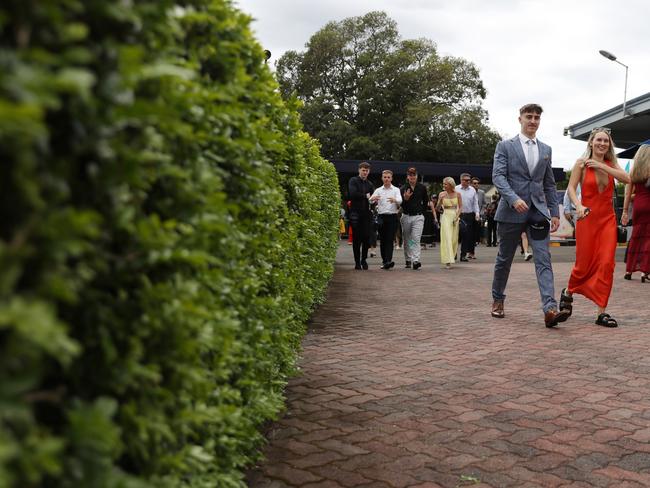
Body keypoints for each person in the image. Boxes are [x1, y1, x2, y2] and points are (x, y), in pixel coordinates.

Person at [491, 103, 569, 327]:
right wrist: (513, 198)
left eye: (536, 117)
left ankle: (550, 309)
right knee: (504, 260)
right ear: (520, 119)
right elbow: (498, 177)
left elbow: (549, 184)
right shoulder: (505, 146)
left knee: (544, 259)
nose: (533, 121)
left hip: (537, 213)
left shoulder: (545, 149)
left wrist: (554, 212)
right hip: (510, 211)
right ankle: (497, 299)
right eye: (529, 116)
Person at [559, 128, 630, 327]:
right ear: (591, 142)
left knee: (606, 264)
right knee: (584, 264)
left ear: (609, 144)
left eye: (605, 141)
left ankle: (602, 312)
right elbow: (571, 188)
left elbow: (628, 179)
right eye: (598, 140)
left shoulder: (611, 163)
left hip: (607, 219)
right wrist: (578, 206)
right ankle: (568, 291)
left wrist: (603, 166)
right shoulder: (581, 164)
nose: (602, 144)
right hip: (587, 218)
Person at [621, 144, 650, 282]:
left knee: (636, 238)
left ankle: (629, 270)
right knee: (648, 240)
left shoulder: (633, 171)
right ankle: (645, 272)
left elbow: (627, 194)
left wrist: (625, 211)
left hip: (638, 206)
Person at [370, 170, 402, 270]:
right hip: (381, 217)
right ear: (382, 178)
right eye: (385, 177)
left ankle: (388, 260)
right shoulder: (379, 190)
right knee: (383, 240)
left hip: (392, 217)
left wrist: (395, 200)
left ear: (391, 178)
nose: (386, 179)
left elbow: (400, 200)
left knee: (389, 239)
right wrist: (373, 198)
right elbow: (370, 199)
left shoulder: (396, 190)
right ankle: (385, 261)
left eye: (388, 177)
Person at [348, 162, 375, 270]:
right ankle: (357, 262)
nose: (365, 172)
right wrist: (366, 196)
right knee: (356, 239)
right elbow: (352, 194)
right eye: (363, 170)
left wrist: (374, 201)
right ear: (359, 170)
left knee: (366, 239)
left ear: (369, 172)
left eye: (367, 170)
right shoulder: (353, 180)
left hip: (367, 214)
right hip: (356, 213)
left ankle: (364, 260)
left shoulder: (370, 184)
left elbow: (372, 198)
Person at [400, 167, 429, 270]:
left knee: (415, 239)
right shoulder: (403, 188)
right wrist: (405, 199)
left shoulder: (422, 188)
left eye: (414, 175)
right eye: (410, 175)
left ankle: (415, 260)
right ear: (407, 176)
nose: (412, 176)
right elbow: (401, 204)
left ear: (417, 176)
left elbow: (426, 201)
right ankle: (408, 259)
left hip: (418, 217)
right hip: (406, 216)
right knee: (408, 239)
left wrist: (423, 213)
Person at [436, 177, 461, 269]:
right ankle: (448, 260)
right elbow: (437, 209)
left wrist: (457, 216)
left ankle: (452, 256)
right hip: (446, 216)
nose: (444, 186)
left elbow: (461, 207)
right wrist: (439, 201)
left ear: (451, 185)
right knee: (447, 238)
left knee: (454, 239)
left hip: (455, 216)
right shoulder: (441, 194)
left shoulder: (458, 194)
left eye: (445, 184)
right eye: (443, 184)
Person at [455, 173, 480, 261]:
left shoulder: (472, 190)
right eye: (466, 180)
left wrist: (477, 213)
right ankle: (454, 253)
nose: (468, 182)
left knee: (467, 235)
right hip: (458, 214)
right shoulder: (456, 189)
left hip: (469, 215)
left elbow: (475, 202)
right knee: (456, 235)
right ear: (461, 180)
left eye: (469, 180)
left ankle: (463, 255)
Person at [471, 177, 486, 246]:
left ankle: (475, 241)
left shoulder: (481, 192)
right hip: (470, 213)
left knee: (477, 228)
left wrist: (481, 213)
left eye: (477, 183)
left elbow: (484, 203)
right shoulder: (469, 192)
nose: (476, 185)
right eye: (474, 183)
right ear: (471, 184)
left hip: (478, 214)